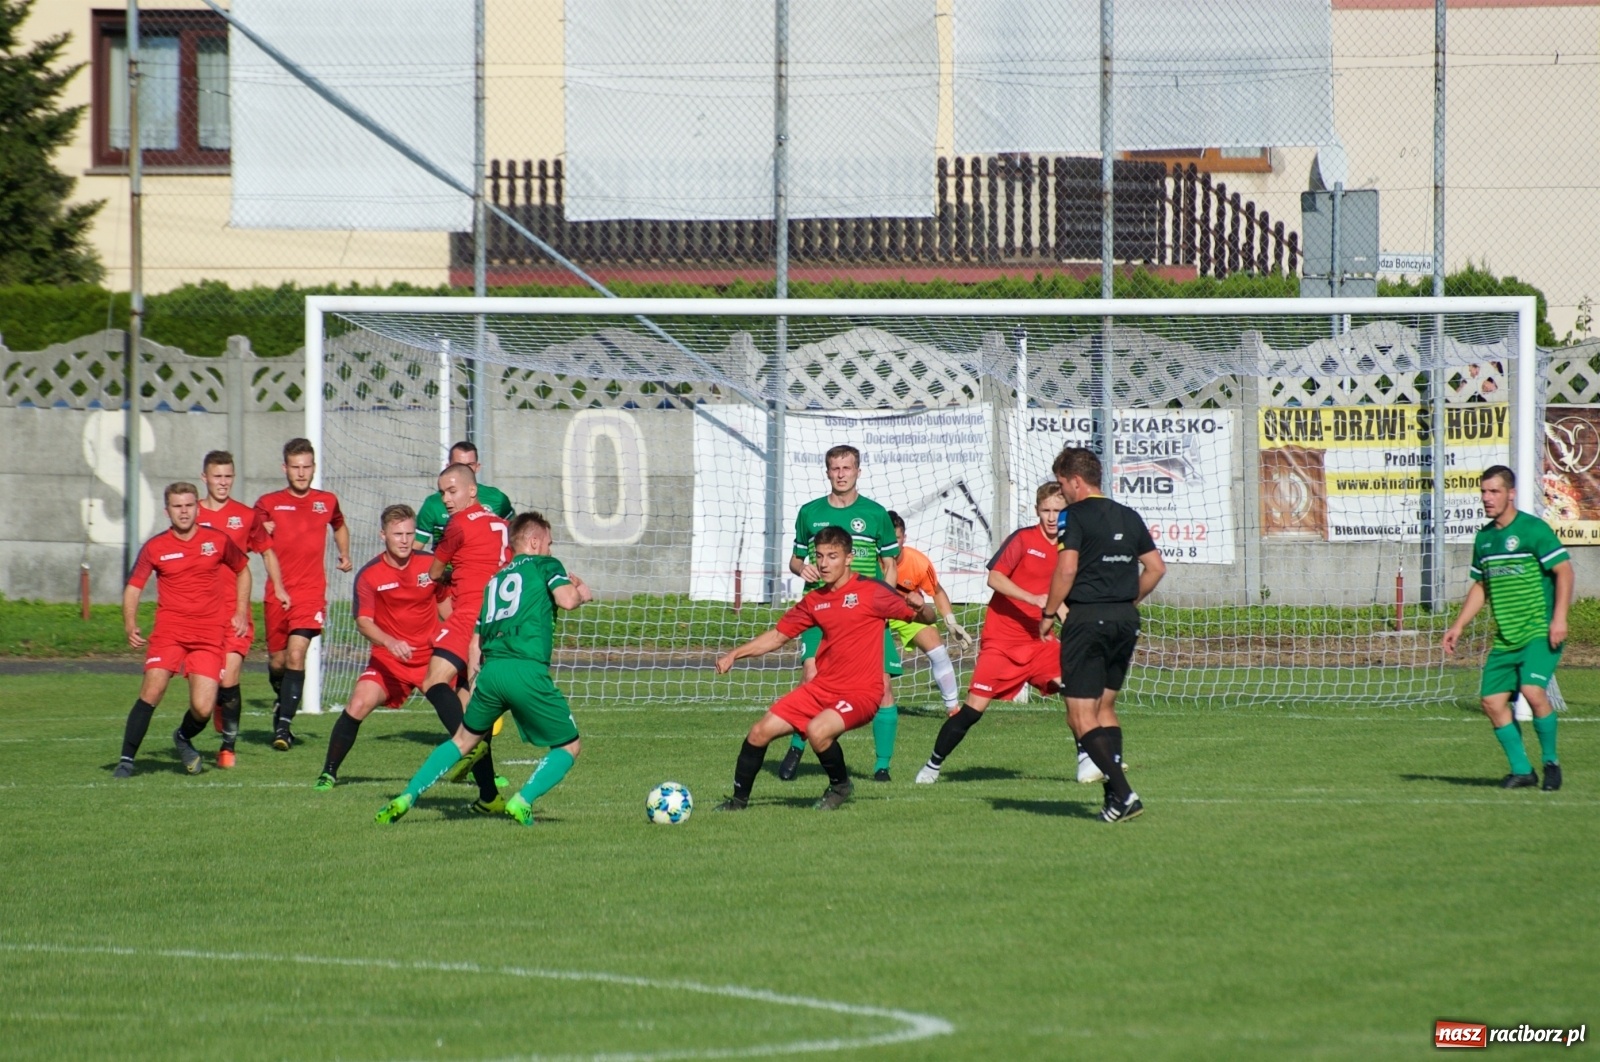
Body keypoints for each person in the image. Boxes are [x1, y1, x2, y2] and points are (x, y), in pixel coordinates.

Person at [376, 511, 593, 826]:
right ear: (534, 541)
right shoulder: (546, 565)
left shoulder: (495, 581)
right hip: (525, 669)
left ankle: (407, 795)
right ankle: (522, 800)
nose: (551, 547)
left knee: (463, 740)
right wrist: (583, 593)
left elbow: (475, 643)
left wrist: (476, 683)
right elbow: (567, 600)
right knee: (569, 745)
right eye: (549, 542)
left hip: (492, 673)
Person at [714, 526, 933, 812]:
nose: (824, 563)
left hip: (862, 693)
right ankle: (738, 802)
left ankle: (840, 786)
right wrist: (735, 654)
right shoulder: (815, 601)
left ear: (848, 558)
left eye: (832, 556)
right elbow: (779, 636)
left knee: (818, 731)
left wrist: (921, 606)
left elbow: (927, 617)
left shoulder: (871, 592)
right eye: (819, 556)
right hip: (821, 689)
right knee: (759, 732)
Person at [917, 482, 1107, 785]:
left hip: (1041, 641)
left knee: (1076, 690)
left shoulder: (1071, 550)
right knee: (973, 711)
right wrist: (1032, 598)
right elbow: (994, 577)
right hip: (1002, 643)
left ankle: (1087, 759)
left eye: (1057, 511)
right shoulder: (1023, 539)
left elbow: (1062, 598)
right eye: (1045, 510)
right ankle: (931, 766)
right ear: (1036, 511)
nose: (1050, 516)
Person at [1040, 447, 1165, 823]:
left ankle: (1124, 795)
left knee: (1079, 716)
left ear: (1075, 481)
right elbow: (1156, 568)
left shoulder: (1073, 515)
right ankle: (1114, 798)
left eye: (1062, 485)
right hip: (1125, 619)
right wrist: (1126, 599)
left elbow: (1066, 570)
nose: (1062, 493)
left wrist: (1048, 613)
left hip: (1087, 619)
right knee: (1105, 708)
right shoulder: (1129, 514)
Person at [1442, 466, 1572, 791]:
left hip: (1539, 630)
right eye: (1484, 492)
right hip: (1506, 638)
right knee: (1492, 702)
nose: (1487, 498)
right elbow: (1481, 586)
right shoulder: (1486, 538)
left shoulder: (1532, 530)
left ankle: (1551, 763)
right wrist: (1458, 625)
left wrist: (1559, 618)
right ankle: (1522, 770)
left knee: (1532, 691)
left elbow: (1565, 572)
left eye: (1494, 491)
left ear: (1511, 493)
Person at [779, 444, 902, 783]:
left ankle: (881, 766)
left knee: (882, 685)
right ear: (828, 471)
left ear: (858, 471)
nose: (841, 474)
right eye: (835, 469)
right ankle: (795, 745)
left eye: (847, 468)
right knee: (811, 676)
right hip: (819, 610)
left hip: (863, 612)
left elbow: (890, 564)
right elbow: (795, 559)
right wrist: (800, 568)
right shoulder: (810, 512)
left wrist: (885, 602)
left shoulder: (876, 514)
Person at [114, 483, 251, 778]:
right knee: (152, 690)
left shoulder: (217, 540)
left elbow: (243, 570)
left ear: (197, 508)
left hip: (208, 636)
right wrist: (130, 622)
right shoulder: (155, 547)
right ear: (168, 511)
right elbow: (134, 587)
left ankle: (182, 737)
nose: (184, 511)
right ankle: (126, 760)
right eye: (177, 506)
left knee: (202, 709)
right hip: (170, 633)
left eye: (189, 505)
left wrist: (240, 611)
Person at [314, 504, 449, 793]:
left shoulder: (431, 565)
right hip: (389, 660)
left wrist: (464, 636)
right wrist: (389, 641)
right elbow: (363, 622)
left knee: (462, 718)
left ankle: (484, 776)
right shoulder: (370, 575)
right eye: (397, 534)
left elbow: (445, 607)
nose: (404, 540)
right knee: (358, 704)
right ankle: (328, 773)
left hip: (430, 660)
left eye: (409, 534)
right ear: (382, 535)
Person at [251, 438, 352, 750]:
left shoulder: (327, 501)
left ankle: (283, 728)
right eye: (295, 467)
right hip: (277, 594)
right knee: (278, 661)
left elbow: (339, 525)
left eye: (306, 467)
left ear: (313, 467)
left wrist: (344, 553)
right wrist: (259, 528)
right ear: (285, 468)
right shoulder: (267, 503)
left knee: (297, 653)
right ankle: (282, 702)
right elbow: (251, 532)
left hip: (310, 593)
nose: (301, 472)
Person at [423, 463, 513, 810]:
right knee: (469, 705)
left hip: (469, 615)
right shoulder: (502, 524)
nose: (446, 499)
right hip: (498, 619)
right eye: (442, 492)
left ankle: (467, 744)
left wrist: (446, 576)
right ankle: (489, 796)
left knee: (433, 681)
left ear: (472, 490)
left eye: (452, 490)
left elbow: (433, 572)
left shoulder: (458, 524)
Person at [196, 449, 282, 768]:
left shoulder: (246, 516)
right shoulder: (192, 515)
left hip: (235, 613)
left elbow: (267, 552)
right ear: (204, 478)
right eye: (217, 476)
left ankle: (227, 748)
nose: (223, 482)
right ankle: (217, 703)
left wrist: (280, 588)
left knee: (230, 675)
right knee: (207, 686)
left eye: (228, 476)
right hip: (199, 616)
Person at [884, 509, 972, 714]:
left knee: (938, 650)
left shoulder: (919, 563)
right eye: (887, 538)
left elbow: (937, 592)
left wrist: (951, 622)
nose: (891, 543)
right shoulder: (870, 559)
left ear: (904, 538)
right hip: (875, 613)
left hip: (906, 612)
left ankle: (953, 710)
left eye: (896, 538)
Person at [414, 441, 514, 550]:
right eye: (459, 465)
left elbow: (516, 535)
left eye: (470, 465)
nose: (464, 470)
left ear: (477, 467)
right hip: (447, 566)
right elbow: (416, 546)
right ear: (448, 466)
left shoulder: (497, 499)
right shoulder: (433, 504)